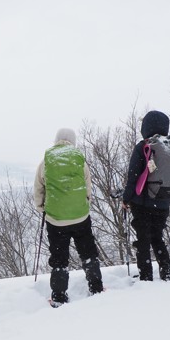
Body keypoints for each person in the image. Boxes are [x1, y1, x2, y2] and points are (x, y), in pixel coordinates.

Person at [33, 128, 104, 307]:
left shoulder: (46, 161)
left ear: (56, 140)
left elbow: (39, 188)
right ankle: (96, 288)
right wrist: (83, 206)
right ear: (73, 141)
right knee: (88, 252)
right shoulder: (79, 160)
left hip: (55, 219)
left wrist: (42, 208)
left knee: (59, 257)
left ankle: (58, 296)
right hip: (80, 217)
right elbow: (87, 187)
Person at [120, 110, 170, 281]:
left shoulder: (143, 146)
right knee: (157, 237)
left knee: (143, 240)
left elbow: (133, 176)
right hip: (163, 200)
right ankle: (167, 272)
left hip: (143, 203)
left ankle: (146, 276)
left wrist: (126, 198)